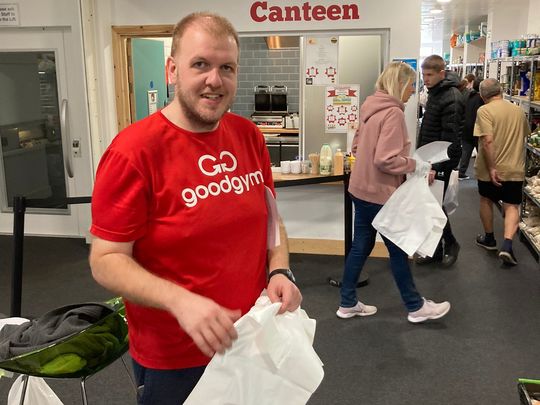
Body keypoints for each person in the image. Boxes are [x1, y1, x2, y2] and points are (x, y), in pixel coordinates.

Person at [88, 12, 302, 404]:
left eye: (227, 68)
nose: (214, 80)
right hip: (176, 358)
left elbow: (271, 218)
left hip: (252, 335)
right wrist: (180, 301)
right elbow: (105, 259)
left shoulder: (247, 135)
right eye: (200, 64)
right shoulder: (133, 152)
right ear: (172, 69)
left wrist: (279, 268)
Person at [336, 61, 451, 324]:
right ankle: (415, 306)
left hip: (360, 189)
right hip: (380, 194)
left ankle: (347, 302)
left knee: (361, 245)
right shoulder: (393, 114)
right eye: (412, 85)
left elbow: (356, 148)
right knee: (399, 248)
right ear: (400, 85)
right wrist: (415, 165)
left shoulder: (369, 107)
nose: (413, 91)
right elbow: (385, 159)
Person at [473, 78, 529, 266]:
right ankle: (507, 244)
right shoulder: (518, 110)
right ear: (501, 91)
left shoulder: (484, 110)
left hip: (490, 167)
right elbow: (525, 135)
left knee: (486, 200)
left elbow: (487, 141)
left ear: (482, 95)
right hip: (514, 167)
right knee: (512, 205)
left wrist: (492, 167)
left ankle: (489, 239)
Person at [416, 54, 465, 268]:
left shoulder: (451, 97)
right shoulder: (436, 93)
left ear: (441, 74)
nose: (425, 79)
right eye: (423, 74)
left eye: (429, 75)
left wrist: (436, 166)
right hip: (430, 158)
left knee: (435, 206)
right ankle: (434, 250)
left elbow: (449, 137)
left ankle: (451, 244)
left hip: (441, 161)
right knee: (430, 206)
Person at [458, 78, 484, 180]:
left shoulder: (468, 95)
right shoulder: (482, 100)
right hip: (477, 128)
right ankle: (482, 174)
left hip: (466, 127)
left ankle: (461, 172)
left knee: (466, 152)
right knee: (482, 153)